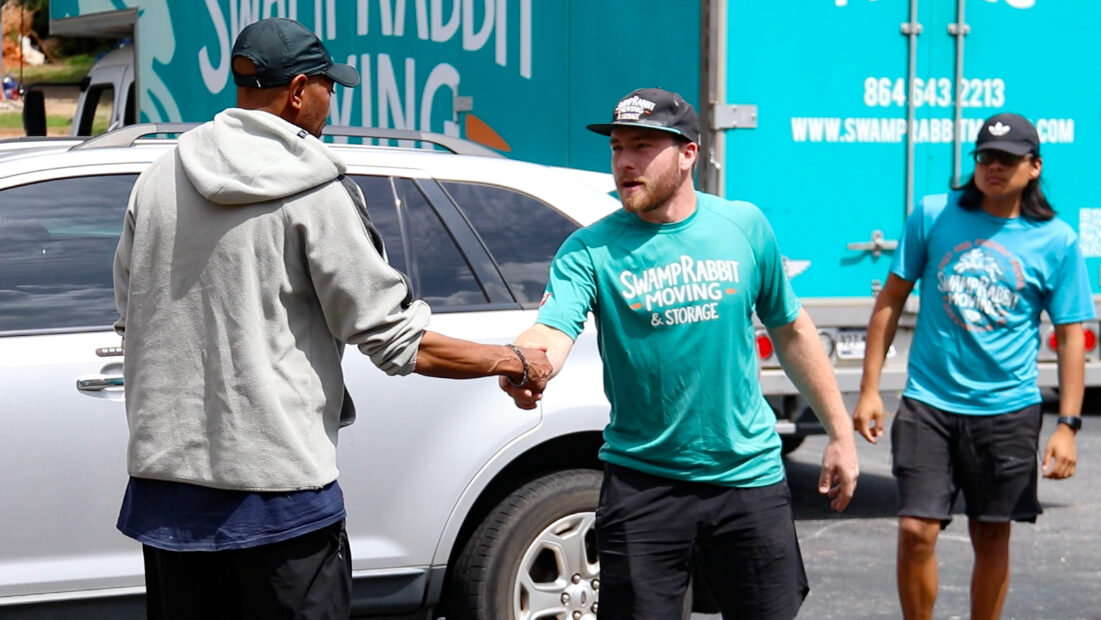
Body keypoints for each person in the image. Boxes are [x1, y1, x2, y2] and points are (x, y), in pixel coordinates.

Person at [112, 18, 551, 619]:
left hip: (168, 501)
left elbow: (132, 320)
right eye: (328, 87)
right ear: (298, 91)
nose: (331, 101)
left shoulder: (158, 179)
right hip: (279, 500)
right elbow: (394, 338)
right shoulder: (316, 189)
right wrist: (514, 360)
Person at [500, 87, 859, 620]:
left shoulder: (743, 226)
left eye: (642, 146)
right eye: (617, 147)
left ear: (688, 153)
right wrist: (528, 365)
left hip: (748, 478)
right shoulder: (589, 250)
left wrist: (840, 434)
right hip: (643, 482)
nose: (625, 162)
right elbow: (551, 330)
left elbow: (792, 330)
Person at [853, 112, 1093, 620]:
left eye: (1008, 159)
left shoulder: (1057, 240)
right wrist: (870, 388)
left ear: (1034, 167)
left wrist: (1068, 424)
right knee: (916, 530)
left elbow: (1071, 336)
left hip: (1008, 411)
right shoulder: (932, 215)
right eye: (985, 157)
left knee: (991, 533)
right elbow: (891, 300)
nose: (994, 167)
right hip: (928, 405)